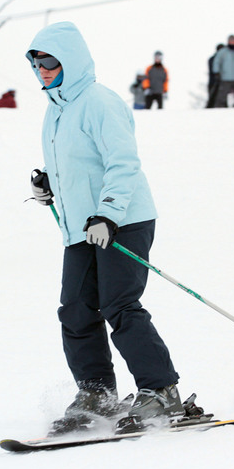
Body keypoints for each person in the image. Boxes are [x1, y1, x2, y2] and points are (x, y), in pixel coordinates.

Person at [26, 22, 190, 436]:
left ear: (71, 61)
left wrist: (109, 214)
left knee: (119, 305)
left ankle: (161, 391)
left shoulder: (100, 101)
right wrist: (49, 182)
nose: (42, 69)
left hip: (123, 220)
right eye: (36, 62)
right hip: (82, 227)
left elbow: (123, 161)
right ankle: (97, 393)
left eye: (49, 61)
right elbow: (78, 162)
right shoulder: (55, 109)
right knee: (76, 310)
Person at [212, 34, 234, 108]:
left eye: (233, 40)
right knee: (222, 96)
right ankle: (218, 108)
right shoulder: (223, 52)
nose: (232, 42)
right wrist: (216, 72)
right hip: (226, 77)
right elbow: (217, 62)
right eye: (231, 40)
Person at [206, 44, 225, 108]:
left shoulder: (225, 60)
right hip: (213, 82)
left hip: (223, 82)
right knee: (212, 98)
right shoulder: (212, 59)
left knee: (223, 99)